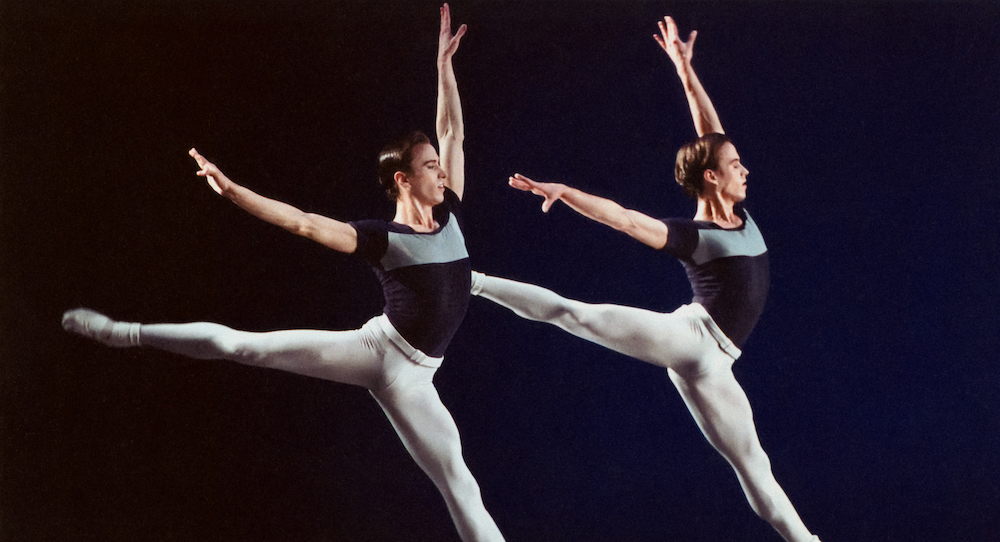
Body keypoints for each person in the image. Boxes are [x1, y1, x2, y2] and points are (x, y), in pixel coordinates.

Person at [61, 5, 505, 541]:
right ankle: (123, 333)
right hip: (378, 352)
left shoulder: (450, 208)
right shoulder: (383, 238)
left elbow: (452, 130)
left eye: (439, 164)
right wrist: (232, 191)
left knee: (461, 485)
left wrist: (443, 68)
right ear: (402, 179)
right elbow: (301, 223)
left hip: (418, 379)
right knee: (244, 347)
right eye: (430, 166)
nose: (442, 171)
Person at [469, 16, 820, 542]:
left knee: (757, 470)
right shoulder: (694, 235)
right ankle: (468, 279)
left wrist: (684, 70)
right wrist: (566, 191)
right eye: (736, 165)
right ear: (712, 177)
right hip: (692, 337)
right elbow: (625, 218)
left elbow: (710, 132)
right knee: (574, 314)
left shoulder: (741, 216)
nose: (745, 170)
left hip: (715, 365)